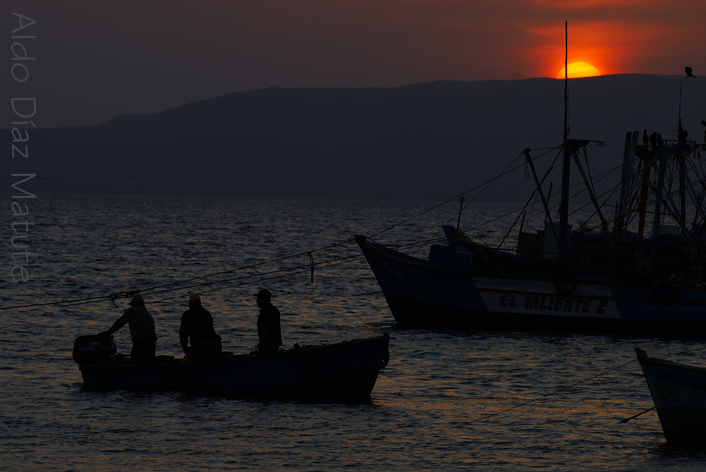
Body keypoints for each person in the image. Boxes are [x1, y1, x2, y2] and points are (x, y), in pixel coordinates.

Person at [100, 295, 157, 363]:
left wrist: (108, 333)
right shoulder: (147, 314)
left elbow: (120, 323)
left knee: (135, 361)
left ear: (133, 305)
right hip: (152, 341)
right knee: (149, 362)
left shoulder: (132, 311)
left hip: (140, 341)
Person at [179, 294, 221, 360]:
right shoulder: (207, 313)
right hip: (212, 347)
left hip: (198, 349)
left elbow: (183, 334)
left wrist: (185, 349)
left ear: (189, 304)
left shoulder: (186, 315)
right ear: (200, 304)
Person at [255, 289, 282, 353]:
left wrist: (261, 343)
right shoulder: (274, 309)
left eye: (259, 299)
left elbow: (266, 327)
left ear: (264, 299)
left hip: (268, 344)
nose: (257, 301)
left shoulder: (265, 311)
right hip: (275, 343)